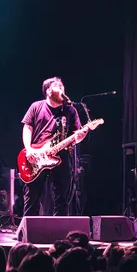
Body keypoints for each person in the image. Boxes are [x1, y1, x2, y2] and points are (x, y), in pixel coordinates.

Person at [21, 77, 85, 216]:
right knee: (32, 197)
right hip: (37, 156)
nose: (62, 89)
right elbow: (27, 128)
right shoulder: (36, 107)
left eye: (63, 86)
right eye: (58, 87)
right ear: (49, 91)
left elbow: (75, 137)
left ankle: (60, 233)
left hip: (61, 157)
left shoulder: (71, 111)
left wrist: (79, 137)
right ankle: (28, 232)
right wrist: (29, 149)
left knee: (62, 198)